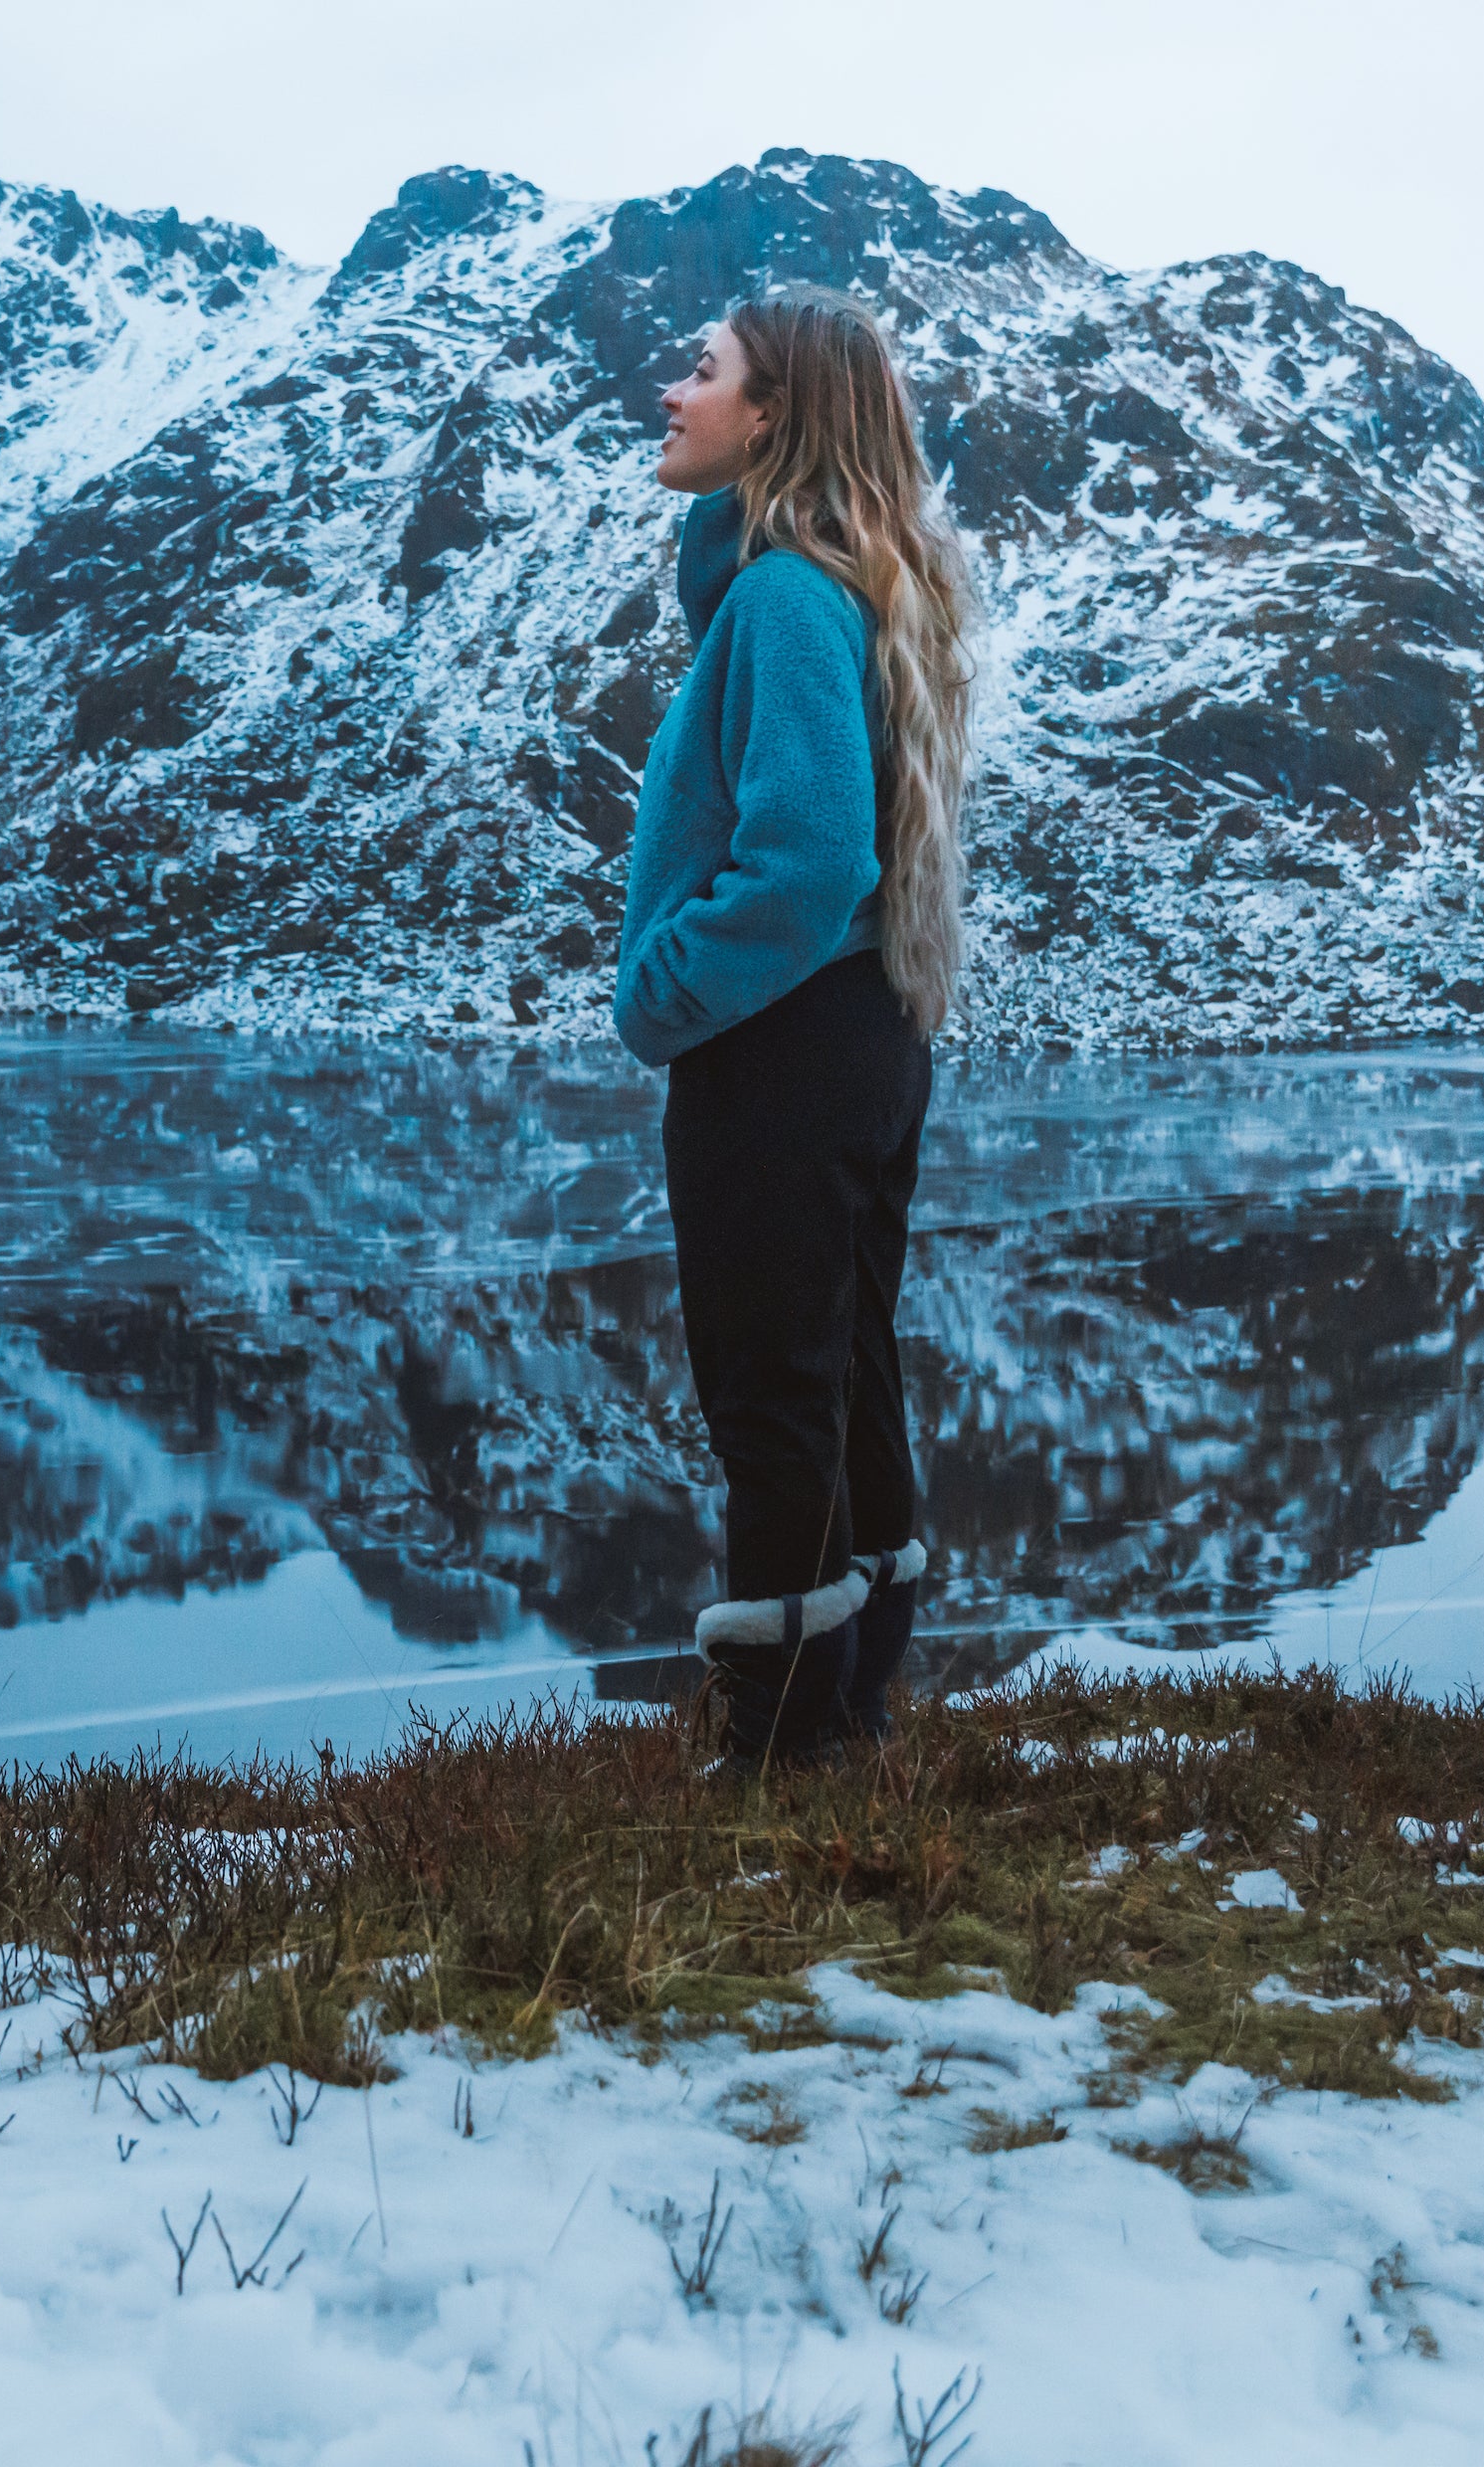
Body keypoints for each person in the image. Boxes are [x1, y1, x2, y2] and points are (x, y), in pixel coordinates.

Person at [613, 284, 975, 1769]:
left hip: (778, 1043)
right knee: (841, 1368)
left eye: (703, 372)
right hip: (859, 1035)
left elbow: (815, 850)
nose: (671, 391)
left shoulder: (778, 597)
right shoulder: (838, 584)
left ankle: (774, 1743)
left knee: (770, 1382)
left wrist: (667, 991)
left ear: (770, 415)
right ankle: (845, 1707)